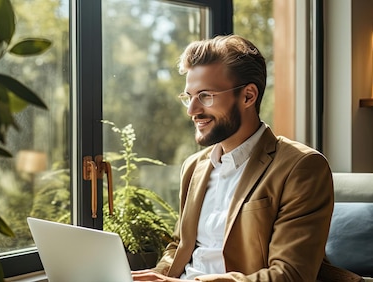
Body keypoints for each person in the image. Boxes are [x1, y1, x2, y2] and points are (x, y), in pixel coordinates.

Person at [131, 35, 353, 282]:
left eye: (205, 96)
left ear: (248, 96)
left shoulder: (302, 167)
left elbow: (290, 275)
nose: (191, 110)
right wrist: (153, 276)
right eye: (189, 96)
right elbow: (180, 245)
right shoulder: (194, 166)